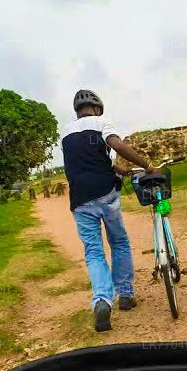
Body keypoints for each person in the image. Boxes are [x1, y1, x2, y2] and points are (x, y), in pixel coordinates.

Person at [61, 89, 160, 332]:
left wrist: (120, 169)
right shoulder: (101, 122)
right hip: (106, 194)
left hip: (80, 199)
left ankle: (102, 301)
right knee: (119, 242)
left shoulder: (65, 132)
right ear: (96, 108)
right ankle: (125, 295)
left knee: (94, 252)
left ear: (77, 111)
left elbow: (90, 162)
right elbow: (116, 144)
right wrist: (146, 165)